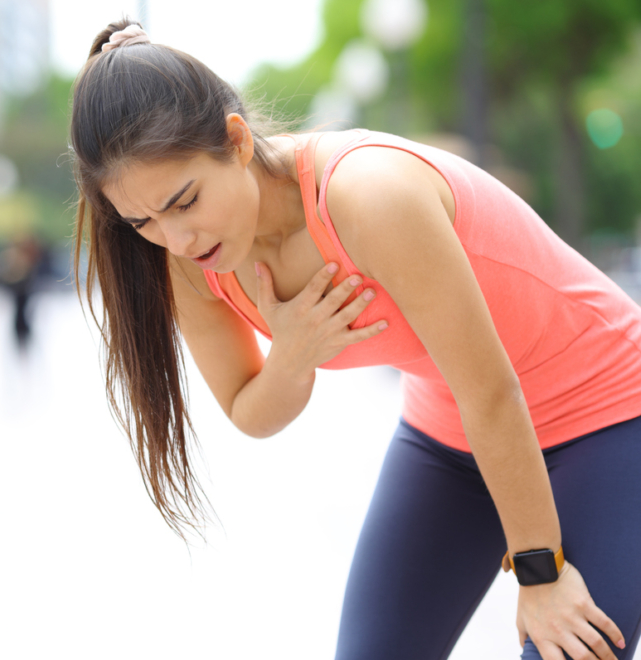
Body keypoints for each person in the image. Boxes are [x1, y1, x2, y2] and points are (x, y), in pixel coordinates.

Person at [69, 19, 641, 660]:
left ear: (234, 141)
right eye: (142, 221)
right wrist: (292, 356)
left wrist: (543, 573)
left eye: (185, 201)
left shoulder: (368, 196)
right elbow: (247, 410)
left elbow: (493, 389)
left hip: (606, 407)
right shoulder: (189, 264)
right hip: (452, 430)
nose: (177, 239)